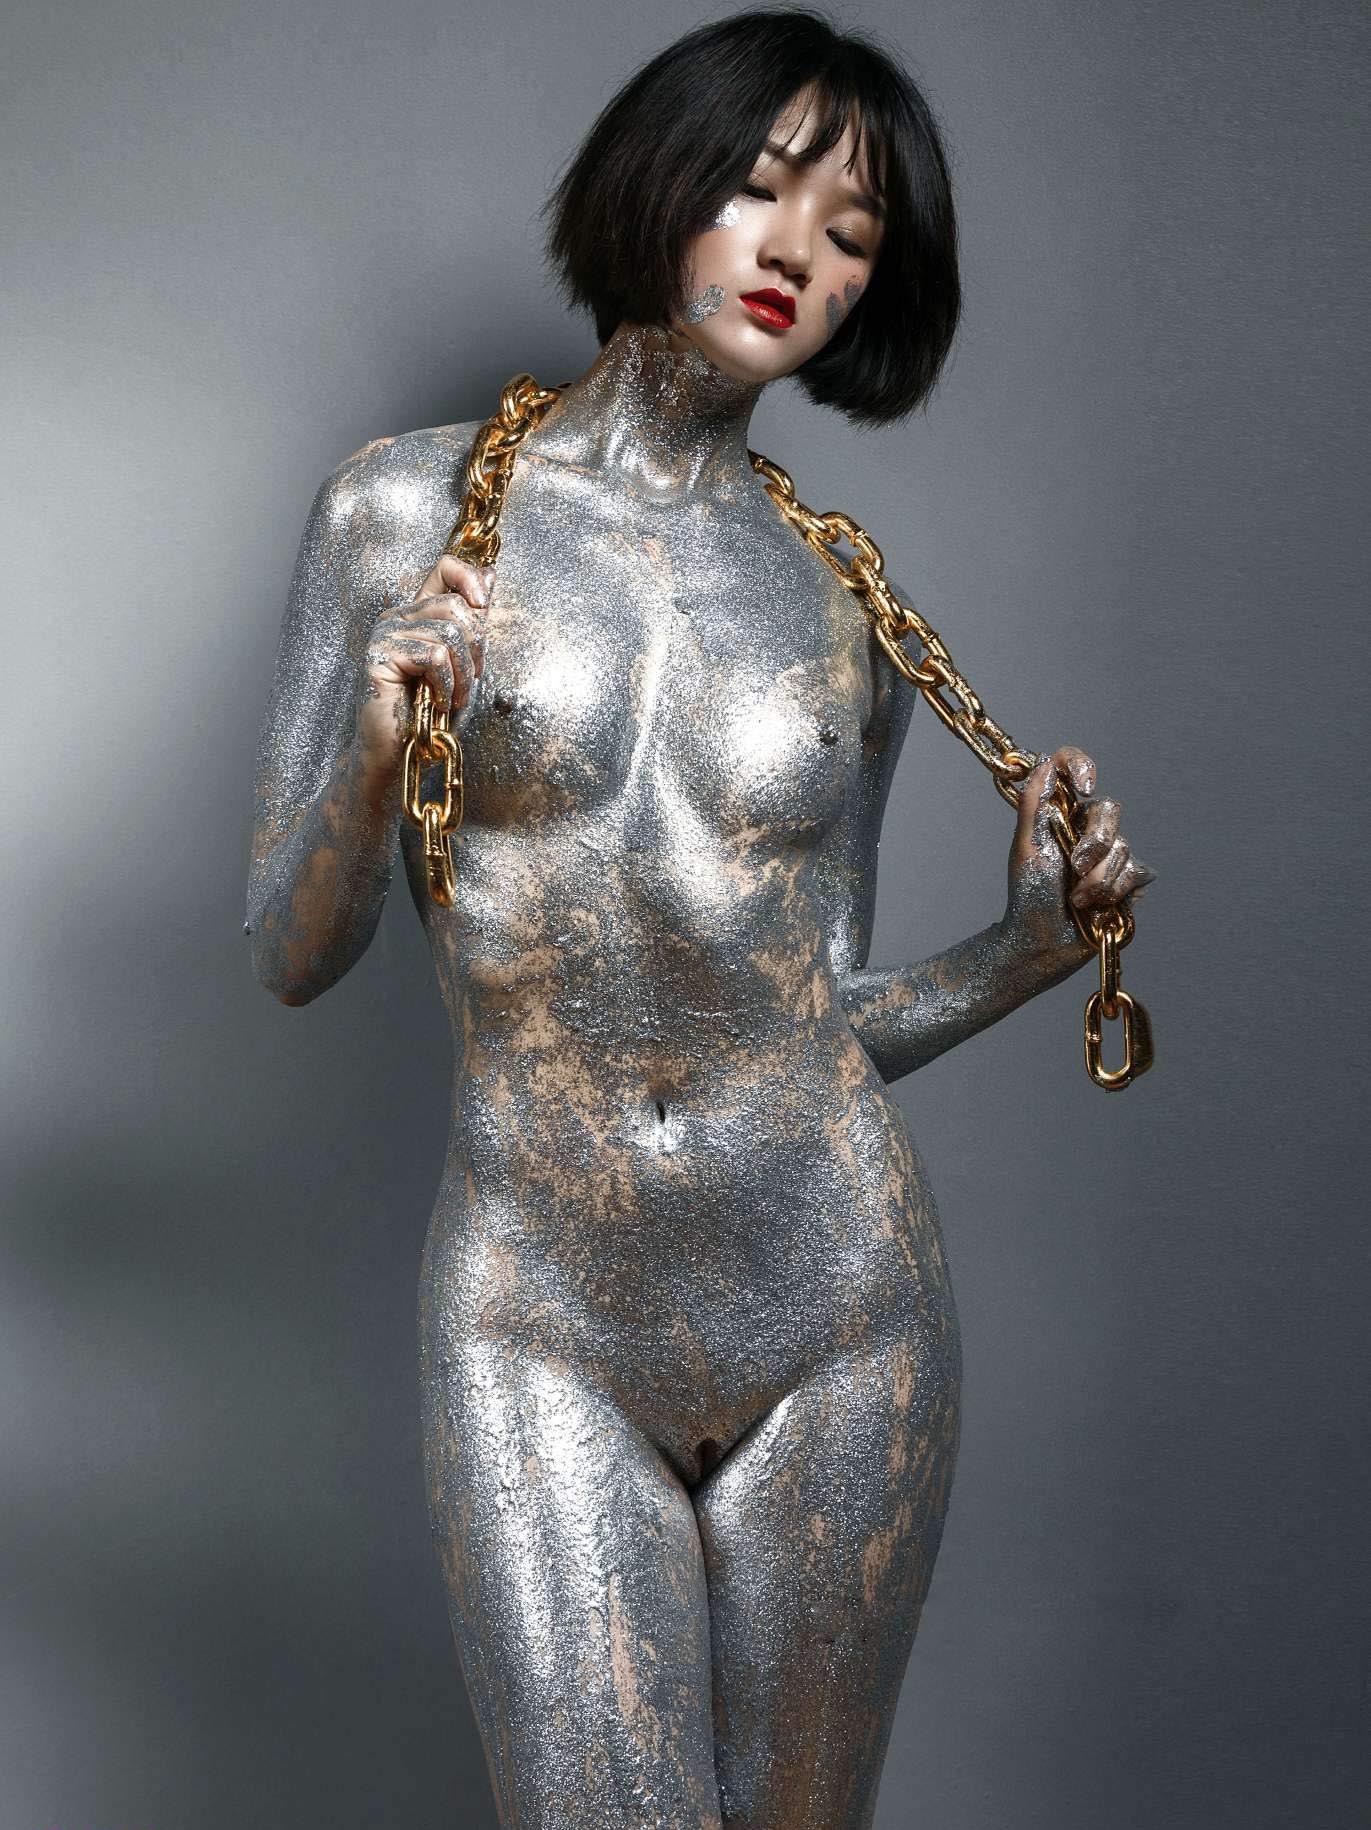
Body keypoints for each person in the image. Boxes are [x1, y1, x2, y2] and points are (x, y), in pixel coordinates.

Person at [246, 9, 1155, 1825]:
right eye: (760, 185)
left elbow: (815, 1014)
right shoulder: (402, 517)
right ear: (660, 182)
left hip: (840, 1303)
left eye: (852, 231)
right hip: (540, 1311)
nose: (798, 250)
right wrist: (369, 750)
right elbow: (293, 950)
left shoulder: (843, 612)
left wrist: (1026, 957)